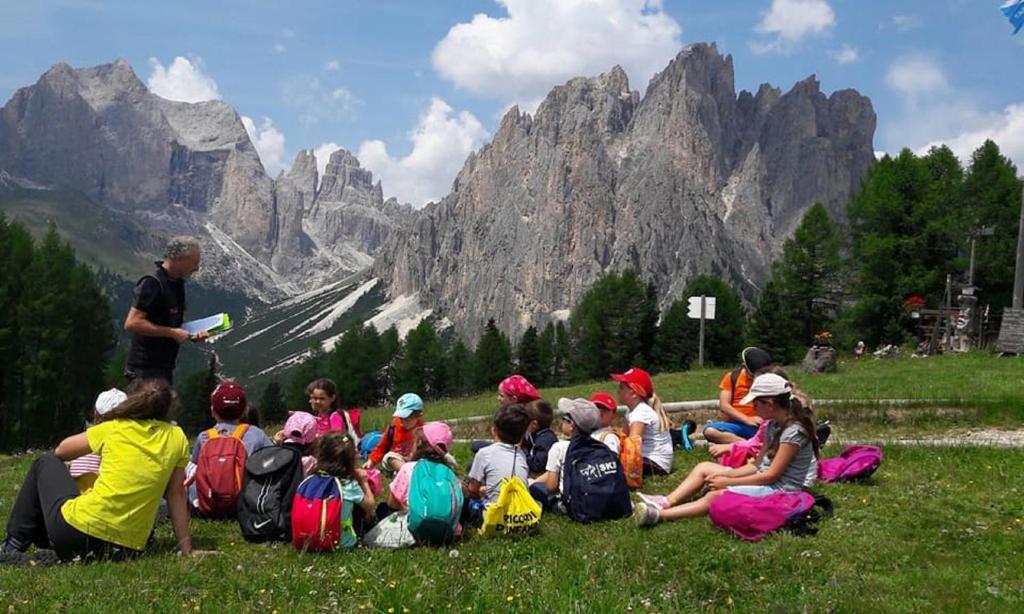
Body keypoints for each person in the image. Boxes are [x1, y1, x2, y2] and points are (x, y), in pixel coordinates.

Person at [0, 380, 197, 565]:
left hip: (77, 532)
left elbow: (61, 451)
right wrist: (186, 548)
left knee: (45, 461)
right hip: (128, 549)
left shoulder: (115, 427)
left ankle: (14, 544)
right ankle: (53, 544)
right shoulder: (177, 437)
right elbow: (176, 495)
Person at [634, 373, 820, 526]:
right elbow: (756, 465)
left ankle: (659, 515)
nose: (752, 408)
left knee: (716, 495)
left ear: (769, 404)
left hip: (782, 490)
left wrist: (727, 483)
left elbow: (771, 476)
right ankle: (667, 501)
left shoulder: (794, 432)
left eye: (755, 404)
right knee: (704, 467)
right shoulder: (772, 425)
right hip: (766, 480)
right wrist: (729, 476)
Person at [122, 236, 205, 385]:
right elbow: (132, 323)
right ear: (179, 258)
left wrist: (192, 335)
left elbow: (170, 322)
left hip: (164, 368)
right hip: (144, 370)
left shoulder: (177, 284)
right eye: (194, 262)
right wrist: (172, 333)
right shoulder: (152, 282)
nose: (197, 268)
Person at [186, 381, 273, 510]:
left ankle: (196, 501)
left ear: (212, 411)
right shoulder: (257, 434)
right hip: (243, 503)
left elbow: (195, 468)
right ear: (244, 411)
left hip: (208, 501)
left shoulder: (204, 437)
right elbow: (273, 459)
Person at [384, 422, 460, 532]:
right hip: (447, 529)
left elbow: (392, 504)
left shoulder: (409, 468)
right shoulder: (449, 472)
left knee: (382, 509)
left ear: (419, 443)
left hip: (414, 528)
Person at [305, 432, 376, 549]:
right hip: (340, 543)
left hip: (308, 541)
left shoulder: (310, 479)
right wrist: (363, 481)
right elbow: (371, 506)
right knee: (364, 509)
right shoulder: (347, 484)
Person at [528, 398, 602, 511]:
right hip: (594, 496)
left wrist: (532, 483)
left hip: (570, 504)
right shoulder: (599, 446)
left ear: (571, 425)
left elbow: (551, 487)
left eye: (564, 418)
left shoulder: (559, 448)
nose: (561, 421)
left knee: (534, 488)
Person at [463, 404, 531, 524]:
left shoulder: (484, 453)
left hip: (495, 517)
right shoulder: (521, 454)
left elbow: (473, 491)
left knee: (463, 501)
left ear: (494, 430)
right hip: (521, 513)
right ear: (521, 436)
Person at [703, 347, 773, 444]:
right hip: (739, 424)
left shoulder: (773, 381)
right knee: (709, 431)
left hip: (764, 425)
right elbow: (724, 406)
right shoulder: (732, 377)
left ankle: (752, 444)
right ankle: (747, 444)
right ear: (744, 366)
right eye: (752, 375)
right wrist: (747, 419)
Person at [612, 367, 673, 475]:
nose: (618, 391)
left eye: (622, 387)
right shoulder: (631, 410)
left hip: (656, 463)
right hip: (646, 459)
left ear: (634, 393)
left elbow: (632, 445)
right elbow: (623, 437)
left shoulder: (641, 412)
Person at [68, 388, 127, 494]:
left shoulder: (83, 439)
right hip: (95, 493)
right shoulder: (118, 440)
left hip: (74, 491)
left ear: (96, 414)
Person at [364, 393, 425, 474]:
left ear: (418, 416)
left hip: (414, 460)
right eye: (401, 418)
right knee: (389, 457)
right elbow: (382, 446)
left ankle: (409, 472)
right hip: (397, 458)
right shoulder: (394, 426)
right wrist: (371, 461)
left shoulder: (422, 429)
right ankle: (407, 473)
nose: (402, 422)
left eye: (406, 419)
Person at [523, 399, 557, 477]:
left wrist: (523, 451)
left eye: (525, 420)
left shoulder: (545, 440)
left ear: (534, 424)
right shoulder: (537, 434)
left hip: (541, 476)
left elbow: (537, 465)